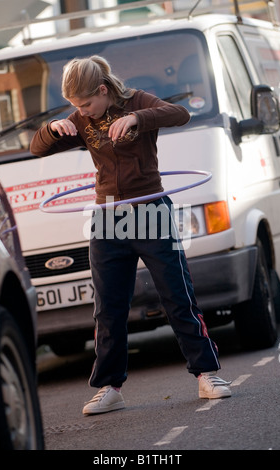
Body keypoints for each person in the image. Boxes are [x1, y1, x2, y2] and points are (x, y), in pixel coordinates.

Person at [30, 55, 231, 415]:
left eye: (87, 103)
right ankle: (110, 387)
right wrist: (52, 128)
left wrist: (137, 118)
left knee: (176, 295)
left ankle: (207, 373)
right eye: (76, 107)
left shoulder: (139, 101)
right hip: (107, 216)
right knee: (108, 308)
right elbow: (37, 149)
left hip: (150, 209)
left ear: (104, 90)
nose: (83, 112)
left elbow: (180, 115)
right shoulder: (80, 118)